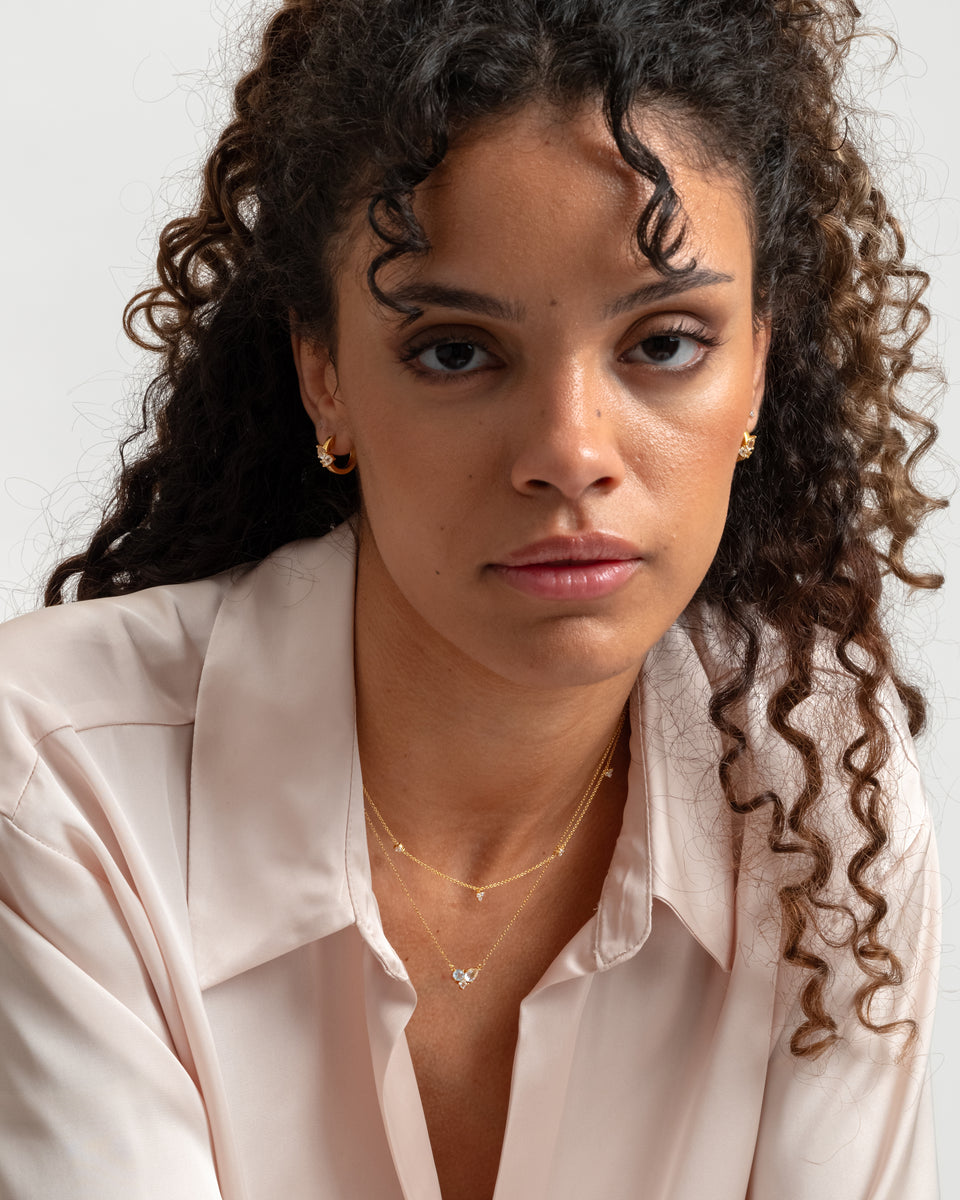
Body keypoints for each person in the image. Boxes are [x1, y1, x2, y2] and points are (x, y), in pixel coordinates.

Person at [0, 0, 944, 1197]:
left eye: (664, 343)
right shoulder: (53, 784)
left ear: (759, 361)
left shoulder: (814, 787)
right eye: (456, 350)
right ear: (324, 374)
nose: (569, 450)